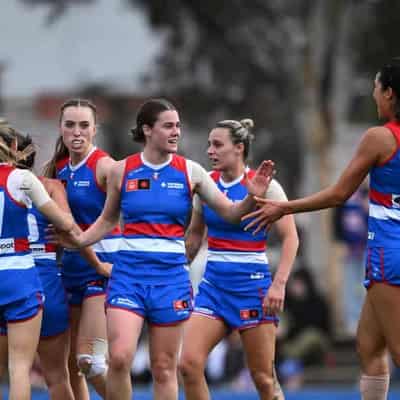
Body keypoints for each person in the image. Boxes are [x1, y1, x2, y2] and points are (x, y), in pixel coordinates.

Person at [55, 98, 274, 400]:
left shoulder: (190, 171)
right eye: (168, 126)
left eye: (178, 126)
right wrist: (79, 240)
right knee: (118, 357)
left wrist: (252, 198)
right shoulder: (122, 170)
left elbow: (231, 213)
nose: (176, 132)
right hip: (128, 274)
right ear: (147, 130)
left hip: (171, 279)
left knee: (163, 367)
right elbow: (107, 219)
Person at [243, 58, 400, 400]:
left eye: (376, 88)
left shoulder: (381, 138)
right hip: (386, 256)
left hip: (390, 256)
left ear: (390, 93)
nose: (374, 95)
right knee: (369, 348)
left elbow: (339, 193)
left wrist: (285, 207)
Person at [179, 119, 298, 400]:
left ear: (239, 148)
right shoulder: (206, 185)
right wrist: (174, 271)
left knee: (263, 379)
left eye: (217, 144)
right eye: (209, 144)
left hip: (252, 288)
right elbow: (195, 237)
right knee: (188, 365)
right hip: (213, 288)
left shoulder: (267, 186)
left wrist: (279, 285)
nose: (210, 150)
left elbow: (291, 238)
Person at [45, 98, 118, 399]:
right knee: (72, 366)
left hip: (101, 270)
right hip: (69, 271)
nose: (77, 132)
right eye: (70, 125)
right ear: (60, 128)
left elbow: (132, 212)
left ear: (95, 129)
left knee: (91, 362)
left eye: (84, 125)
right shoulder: (56, 170)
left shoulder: (105, 166)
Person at [0, 121, 76, 400]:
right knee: (29, 371)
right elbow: (66, 223)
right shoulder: (32, 182)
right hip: (26, 277)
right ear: (16, 149)